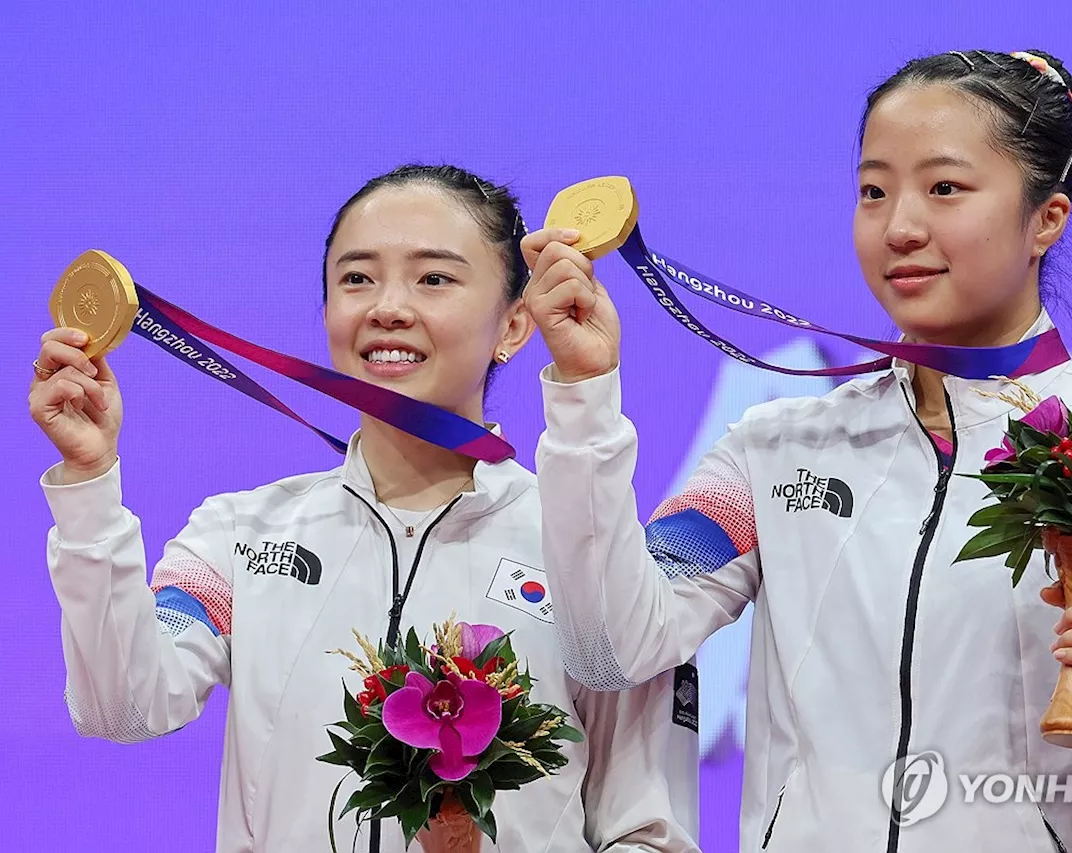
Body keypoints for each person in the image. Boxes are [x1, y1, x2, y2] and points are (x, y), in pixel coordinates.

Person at [522, 50, 1072, 852]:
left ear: (1047, 217)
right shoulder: (777, 452)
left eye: (945, 187)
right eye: (874, 190)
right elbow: (610, 646)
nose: (900, 226)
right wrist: (584, 396)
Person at [29, 164, 701, 853]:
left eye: (433, 278)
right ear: (326, 316)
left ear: (515, 325)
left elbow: (648, 833)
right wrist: (88, 484)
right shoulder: (242, 537)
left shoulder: (596, 565)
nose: (388, 306)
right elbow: (123, 705)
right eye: (357, 278)